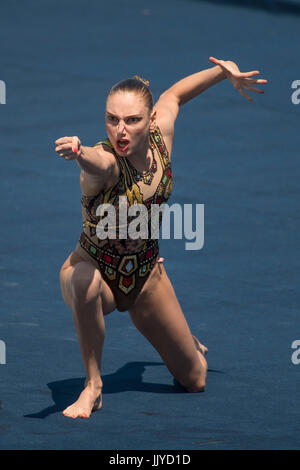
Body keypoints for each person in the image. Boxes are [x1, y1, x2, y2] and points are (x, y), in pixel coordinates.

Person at [55, 57, 267, 419]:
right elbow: (96, 163)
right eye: (112, 119)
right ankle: (93, 386)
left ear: (151, 120)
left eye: (132, 120)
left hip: (145, 273)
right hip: (93, 268)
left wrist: (222, 71)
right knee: (83, 283)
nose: (120, 130)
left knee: (194, 380)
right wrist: (79, 153)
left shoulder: (162, 134)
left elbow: (176, 95)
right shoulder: (105, 161)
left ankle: (186, 343)